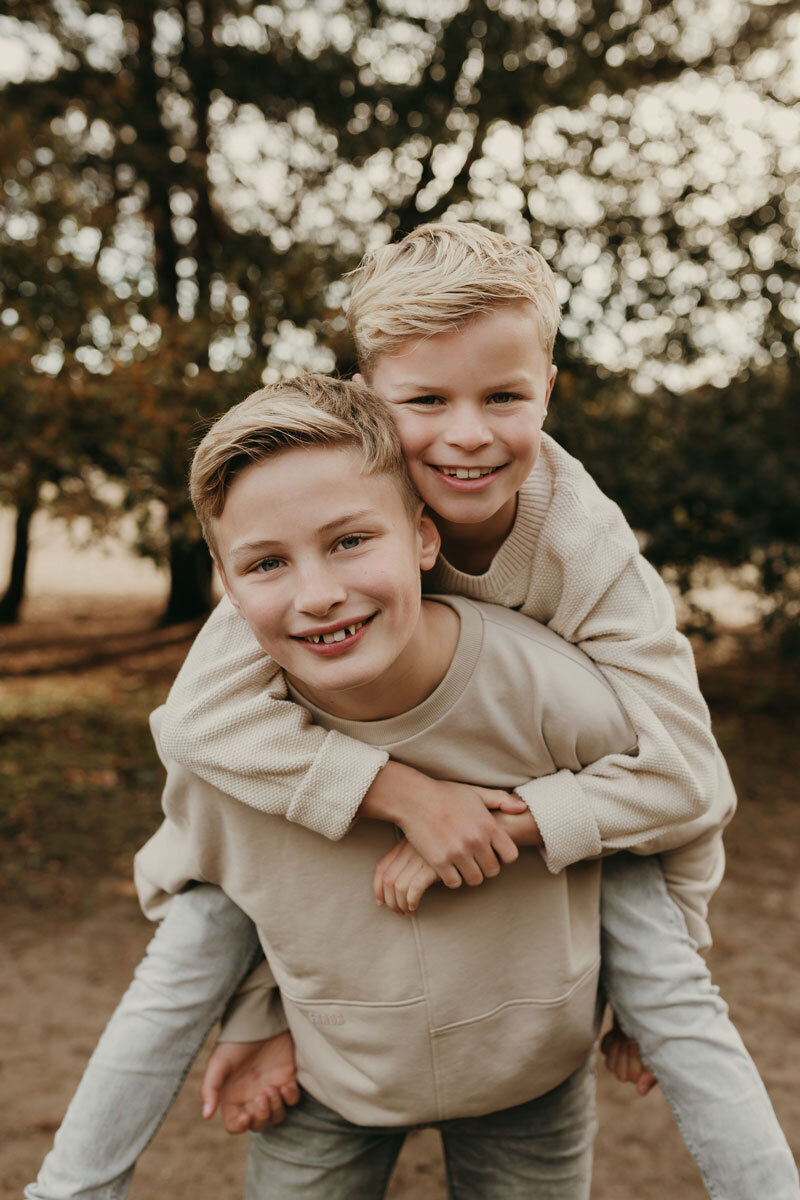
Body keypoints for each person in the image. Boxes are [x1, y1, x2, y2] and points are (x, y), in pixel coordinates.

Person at [25, 227, 798, 1199]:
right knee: (206, 902)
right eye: (426, 401)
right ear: (368, 401)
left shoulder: (580, 541)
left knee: (646, 914)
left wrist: (511, 827)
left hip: (547, 779)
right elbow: (192, 732)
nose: (466, 435)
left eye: (503, 397)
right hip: (350, 934)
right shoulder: (314, 532)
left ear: (547, 389)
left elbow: (683, 775)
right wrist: (403, 797)